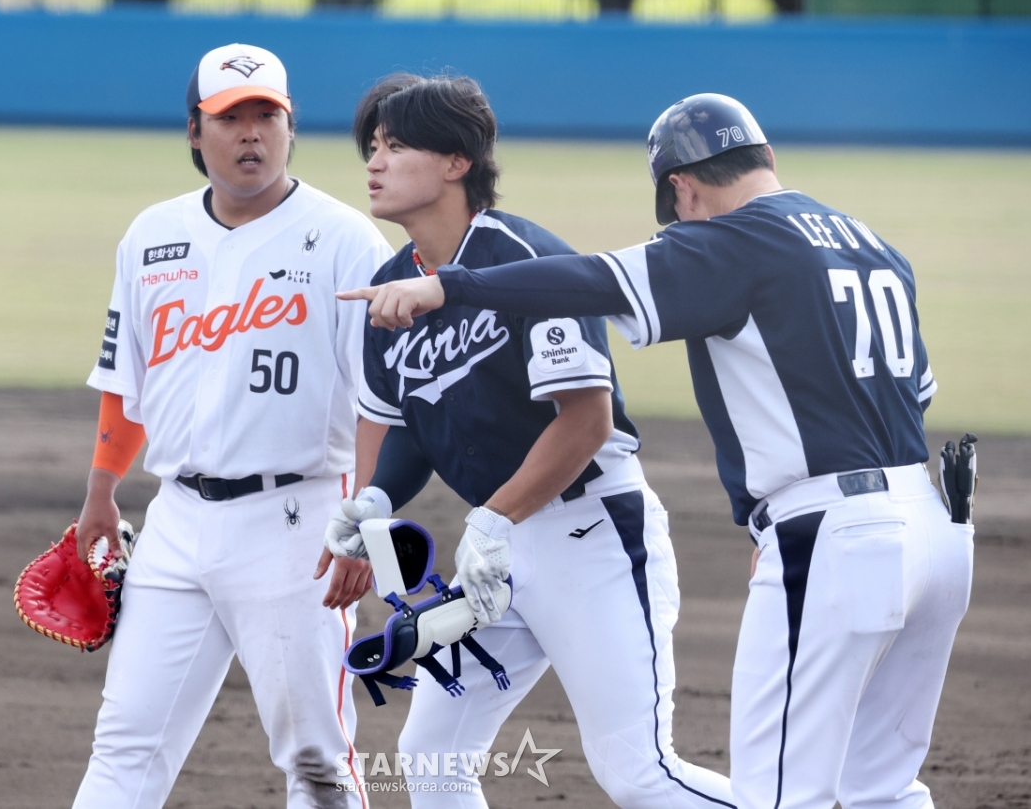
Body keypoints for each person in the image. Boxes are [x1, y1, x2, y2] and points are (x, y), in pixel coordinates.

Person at [342, 93, 975, 809]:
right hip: (928, 522)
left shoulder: (731, 242)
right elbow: (913, 397)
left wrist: (447, 287)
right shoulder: (869, 242)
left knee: (747, 790)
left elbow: (591, 282)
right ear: (765, 157)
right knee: (881, 789)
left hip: (802, 533)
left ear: (682, 189)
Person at [318, 74, 735, 808]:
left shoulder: (528, 262)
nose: (375, 163)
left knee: (639, 773)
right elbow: (410, 424)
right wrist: (376, 495)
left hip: (593, 535)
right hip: (503, 552)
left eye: (397, 146)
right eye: (373, 147)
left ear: (457, 162)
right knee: (431, 755)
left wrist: (493, 519)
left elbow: (587, 421)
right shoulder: (388, 287)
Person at [72, 43, 392, 809]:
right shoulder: (151, 236)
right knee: (125, 744)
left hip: (296, 525)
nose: (251, 133)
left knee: (315, 759)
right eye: (229, 118)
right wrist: (101, 492)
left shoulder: (348, 241)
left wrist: (365, 522)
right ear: (195, 131)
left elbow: (382, 402)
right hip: (175, 522)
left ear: (290, 127)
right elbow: (128, 384)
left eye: (266, 116)